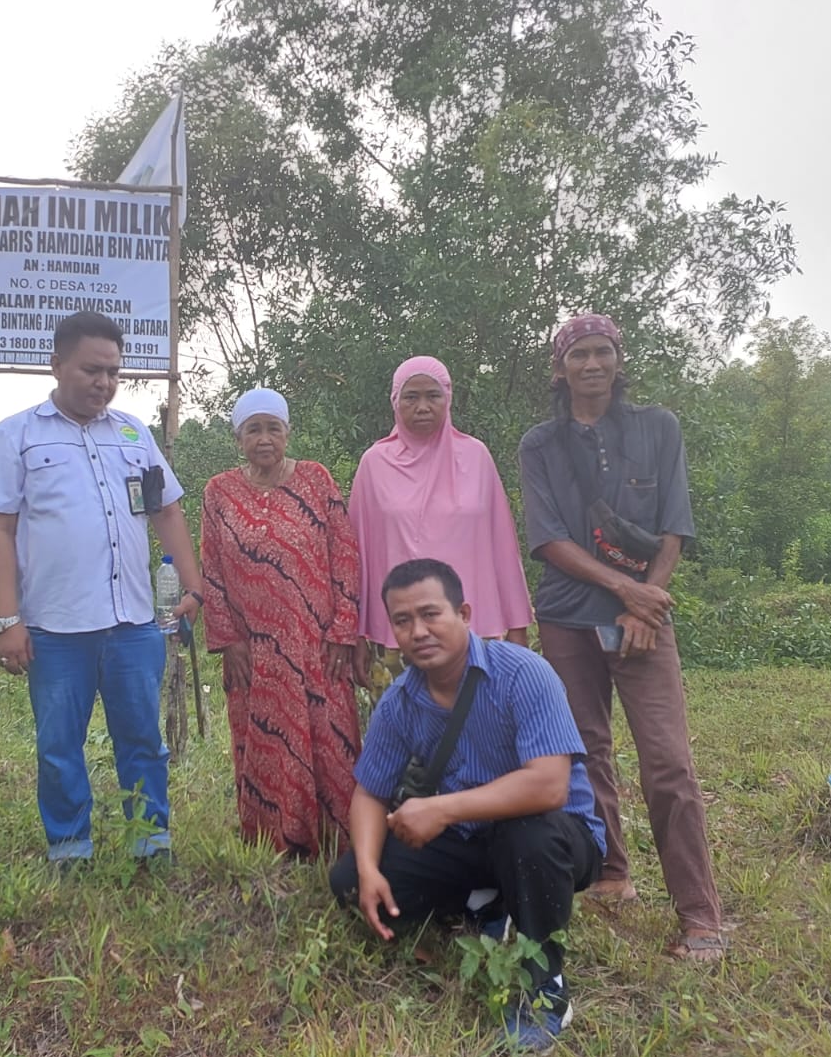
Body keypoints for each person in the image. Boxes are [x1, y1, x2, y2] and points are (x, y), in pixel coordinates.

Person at [329, 558, 604, 1052]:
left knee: (528, 836)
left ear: (464, 613)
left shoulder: (523, 674)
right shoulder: (400, 701)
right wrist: (368, 869)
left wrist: (441, 810)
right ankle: (488, 901)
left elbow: (549, 786)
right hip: (467, 838)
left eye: (431, 614)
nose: (418, 631)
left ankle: (545, 987)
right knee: (350, 880)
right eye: (403, 620)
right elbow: (370, 792)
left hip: (555, 837)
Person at [517, 314, 726, 960]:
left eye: (601, 351)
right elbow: (548, 539)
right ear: (560, 368)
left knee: (668, 762)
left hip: (642, 622)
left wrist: (644, 604)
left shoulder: (657, 428)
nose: (591, 364)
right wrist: (624, 590)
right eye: (578, 354)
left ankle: (700, 916)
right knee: (584, 751)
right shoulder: (540, 444)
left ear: (618, 359)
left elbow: (675, 525)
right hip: (567, 617)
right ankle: (612, 873)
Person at [0, 310, 205, 868]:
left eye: (113, 372)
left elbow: (166, 511)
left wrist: (195, 587)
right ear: (56, 364)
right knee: (59, 746)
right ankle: (70, 847)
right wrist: (7, 620)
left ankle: (150, 840)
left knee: (143, 739)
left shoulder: (132, 433)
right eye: (91, 370)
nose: (104, 382)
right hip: (55, 627)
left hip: (133, 622)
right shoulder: (17, 435)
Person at [199, 388, 362, 857]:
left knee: (331, 739)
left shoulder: (316, 479)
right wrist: (228, 640)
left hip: (318, 644)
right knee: (268, 742)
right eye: (253, 429)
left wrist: (343, 630)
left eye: (273, 428)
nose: (264, 438)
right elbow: (212, 567)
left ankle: (341, 843)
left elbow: (345, 555)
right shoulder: (218, 492)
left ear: (288, 433)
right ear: (238, 438)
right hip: (256, 650)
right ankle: (275, 840)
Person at [349, 356, 533, 688]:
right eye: (411, 397)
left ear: (447, 397)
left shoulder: (476, 457)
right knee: (403, 717)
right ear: (395, 401)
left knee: (479, 717)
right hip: (398, 633)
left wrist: (518, 625)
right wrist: (356, 632)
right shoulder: (374, 464)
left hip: (472, 629)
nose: (422, 407)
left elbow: (503, 546)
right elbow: (357, 555)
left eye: (433, 395)